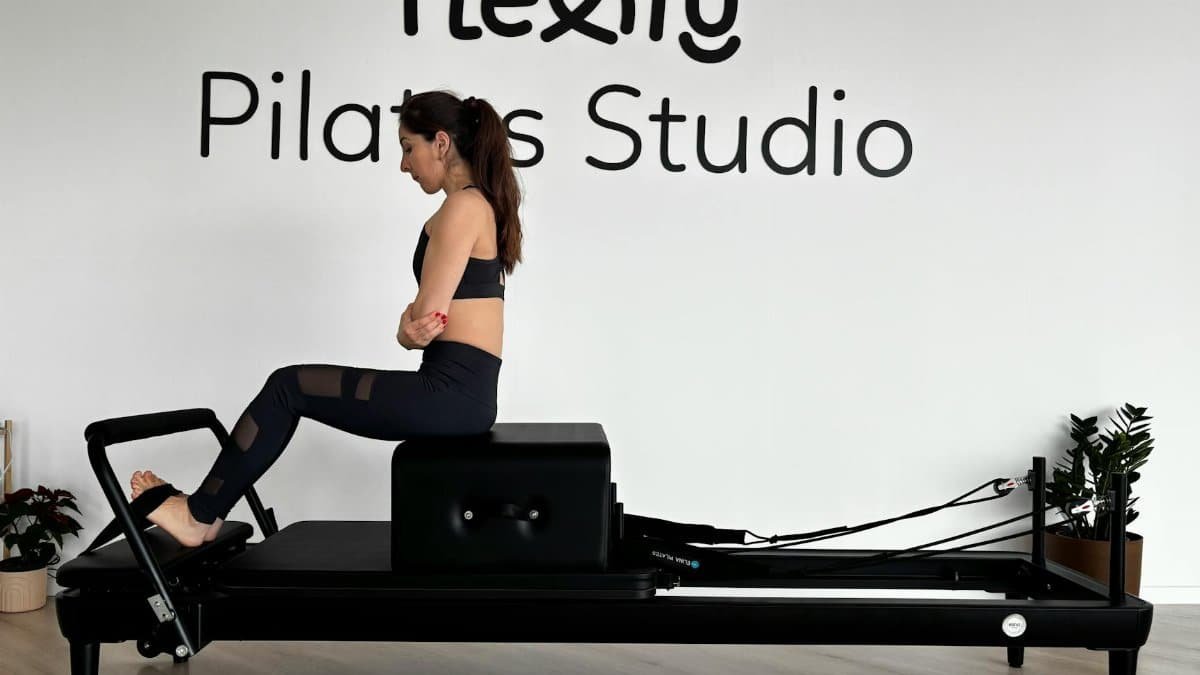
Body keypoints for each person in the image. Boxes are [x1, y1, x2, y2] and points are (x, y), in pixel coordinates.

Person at [127, 91, 523, 548]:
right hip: (460, 395)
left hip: (449, 397)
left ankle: (199, 515)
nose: (403, 164)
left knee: (288, 386)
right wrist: (409, 326)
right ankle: (205, 514)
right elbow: (425, 322)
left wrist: (405, 327)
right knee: (290, 386)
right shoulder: (479, 205)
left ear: (440, 143)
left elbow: (422, 323)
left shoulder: (463, 207)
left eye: (407, 147)